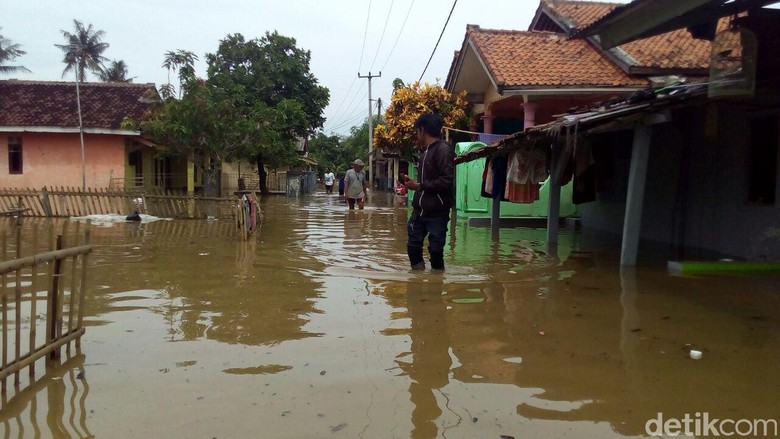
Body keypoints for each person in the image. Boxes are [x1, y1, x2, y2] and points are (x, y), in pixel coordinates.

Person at [402, 113, 454, 270]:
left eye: (417, 131)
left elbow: (446, 181)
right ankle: (417, 285)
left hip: (437, 212)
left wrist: (418, 186)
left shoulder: (443, 150)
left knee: (436, 250)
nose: (417, 135)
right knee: (413, 246)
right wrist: (416, 184)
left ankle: (436, 285)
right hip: (419, 211)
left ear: (422, 130)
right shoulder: (425, 153)